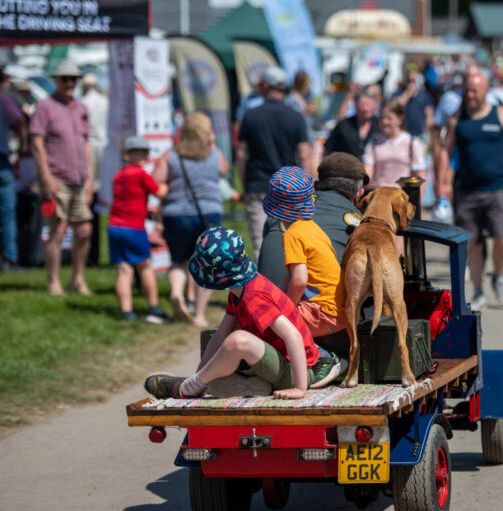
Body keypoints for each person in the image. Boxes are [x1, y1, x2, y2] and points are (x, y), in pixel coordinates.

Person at [144, 227, 345, 400]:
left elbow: (292, 335)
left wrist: (300, 388)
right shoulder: (239, 290)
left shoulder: (253, 295)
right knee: (223, 338)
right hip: (282, 364)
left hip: (299, 372)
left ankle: (190, 387)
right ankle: (207, 383)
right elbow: (221, 334)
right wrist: (199, 373)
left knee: (238, 341)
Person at [439, 72, 503, 310]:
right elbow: (445, 151)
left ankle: (498, 277)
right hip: (467, 190)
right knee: (472, 244)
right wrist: (442, 183)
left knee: (502, 239)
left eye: (475, 91)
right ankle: (478, 289)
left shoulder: (501, 115)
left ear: (486, 91)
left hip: (497, 188)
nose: (470, 95)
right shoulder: (457, 119)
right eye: (467, 90)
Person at [153, 112, 229, 328]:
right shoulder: (215, 154)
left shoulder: (170, 156)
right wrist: (212, 143)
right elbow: (224, 172)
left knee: (178, 261)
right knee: (206, 264)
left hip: (176, 214)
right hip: (209, 215)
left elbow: (156, 181)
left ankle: (177, 293)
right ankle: (199, 315)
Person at [30, 60, 93, 296]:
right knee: (56, 231)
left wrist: (90, 177)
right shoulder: (44, 106)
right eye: (65, 79)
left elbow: (85, 144)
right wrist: (46, 177)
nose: (69, 83)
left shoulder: (80, 107)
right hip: (57, 178)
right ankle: (53, 282)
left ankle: (77, 279)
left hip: (79, 179)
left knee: (84, 230)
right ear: (56, 80)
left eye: (73, 79)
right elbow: (37, 144)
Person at [258, 152, 367, 288]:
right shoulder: (362, 225)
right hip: (316, 298)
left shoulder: (280, 209)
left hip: (263, 294)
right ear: (359, 194)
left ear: (315, 185)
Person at [263, 166, 347, 338]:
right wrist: (277, 299)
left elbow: (299, 281)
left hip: (322, 312)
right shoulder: (312, 228)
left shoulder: (293, 234)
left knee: (266, 323)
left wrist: (286, 309)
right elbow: (290, 276)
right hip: (335, 310)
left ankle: (319, 354)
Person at [236, 66, 310, 258]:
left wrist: (245, 185)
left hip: (258, 185)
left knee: (261, 245)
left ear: (267, 86)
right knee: (291, 243)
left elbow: (241, 155)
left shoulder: (251, 116)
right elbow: (304, 155)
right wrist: (306, 187)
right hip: (289, 188)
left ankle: (266, 278)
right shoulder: (296, 117)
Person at [108, 136, 169, 323]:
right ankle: (154, 308)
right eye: (139, 153)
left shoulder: (118, 175)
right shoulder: (141, 174)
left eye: (145, 152)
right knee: (145, 267)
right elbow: (159, 192)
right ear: (127, 155)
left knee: (124, 270)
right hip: (134, 228)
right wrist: (166, 185)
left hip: (114, 227)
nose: (143, 156)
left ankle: (127, 312)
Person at [0, 66, 27, 275]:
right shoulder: (2, 100)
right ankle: (9, 258)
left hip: (0, 158)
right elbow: (20, 120)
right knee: (7, 213)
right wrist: (23, 143)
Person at [363, 99, 426, 189]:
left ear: (400, 119)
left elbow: (419, 175)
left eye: (389, 118)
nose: (384, 122)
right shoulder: (374, 143)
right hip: (380, 194)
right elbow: (368, 172)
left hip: (402, 195)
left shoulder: (411, 143)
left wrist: (418, 197)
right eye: (382, 118)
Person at [323, 86, 380, 159]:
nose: (365, 108)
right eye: (362, 105)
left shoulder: (381, 125)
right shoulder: (343, 126)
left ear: (375, 105)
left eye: (369, 104)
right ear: (355, 105)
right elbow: (328, 150)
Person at [80, 73, 107, 181]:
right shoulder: (105, 101)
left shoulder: (82, 102)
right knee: (104, 178)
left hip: (89, 144)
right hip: (104, 142)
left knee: (91, 178)